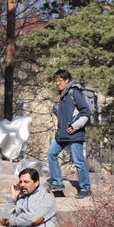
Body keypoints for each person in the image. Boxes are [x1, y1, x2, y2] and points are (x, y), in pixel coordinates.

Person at [46, 69, 92, 198]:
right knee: (51, 153)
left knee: (78, 161)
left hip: (75, 133)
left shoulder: (74, 92)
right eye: (56, 81)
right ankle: (57, 182)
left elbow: (86, 113)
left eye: (59, 80)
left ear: (66, 80)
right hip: (63, 134)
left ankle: (85, 188)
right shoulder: (63, 95)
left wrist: (75, 126)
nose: (57, 83)